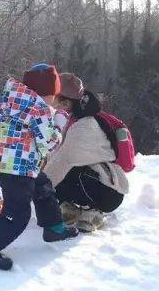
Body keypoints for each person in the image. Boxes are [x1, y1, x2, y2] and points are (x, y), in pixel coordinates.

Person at [0, 63, 78, 271]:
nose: (54, 100)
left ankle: (53, 227)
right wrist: (59, 123)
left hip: (12, 164)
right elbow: (49, 143)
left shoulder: (13, 101)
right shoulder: (38, 108)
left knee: (42, 186)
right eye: (53, 95)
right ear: (46, 93)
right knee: (18, 214)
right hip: (18, 169)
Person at [43, 88, 128, 231]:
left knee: (61, 174)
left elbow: (63, 160)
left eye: (56, 102)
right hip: (100, 184)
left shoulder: (85, 125)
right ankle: (70, 209)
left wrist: (37, 188)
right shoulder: (75, 120)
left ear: (67, 102)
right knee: (59, 174)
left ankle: (93, 212)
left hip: (109, 192)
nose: (55, 107)